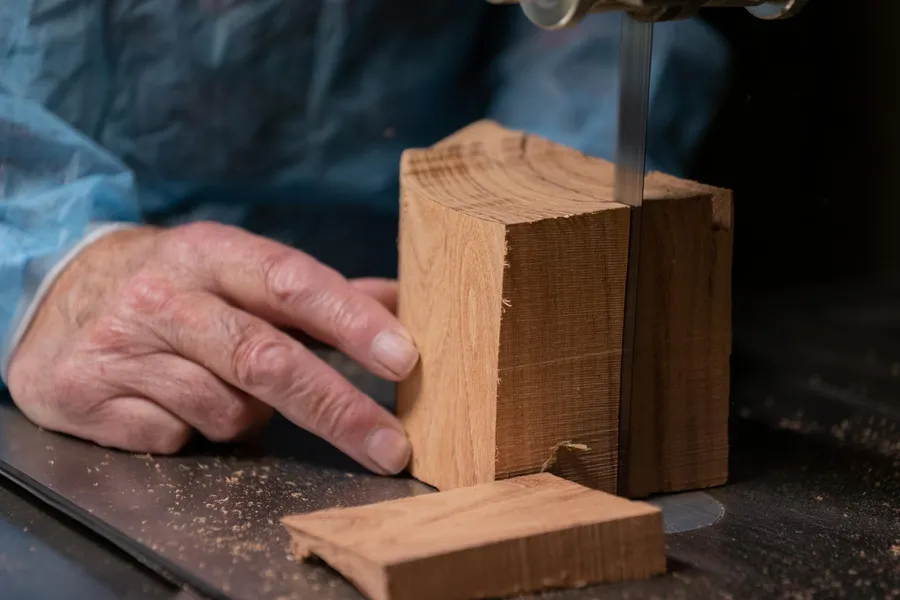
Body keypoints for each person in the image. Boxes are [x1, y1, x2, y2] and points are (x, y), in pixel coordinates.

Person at [0, 2, 730, 476]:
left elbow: (595, 26)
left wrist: (552, 203)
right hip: (66, 296)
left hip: (405, 282)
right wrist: (39, 261)